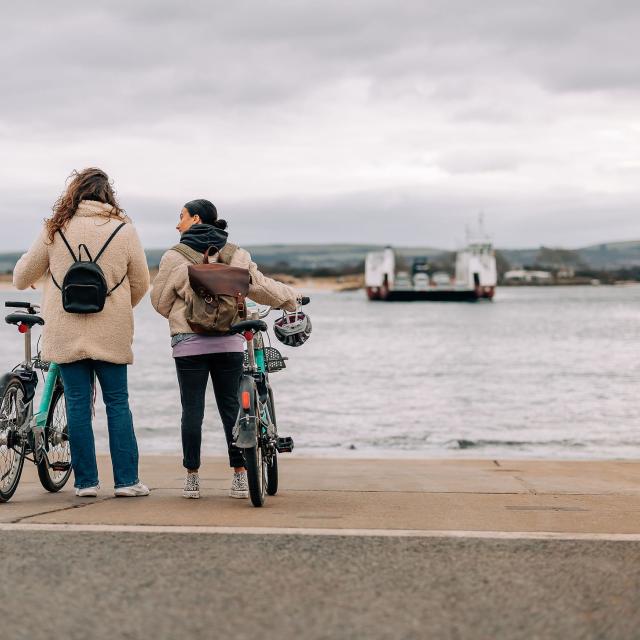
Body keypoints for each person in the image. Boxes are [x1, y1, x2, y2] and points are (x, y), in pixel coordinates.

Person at [13, 168, 150, 498]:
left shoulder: (54, 228)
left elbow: (21, 277)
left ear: (74, 193)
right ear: (107, 194)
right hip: (112, 330)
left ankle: (86, 483)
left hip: (64, 330)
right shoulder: (124, 230)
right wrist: (115, 308)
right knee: (118, 404)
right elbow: (141, 283)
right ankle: (127, 482)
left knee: (76, 405)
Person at [150, 199, 300, 499]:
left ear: (195, 219)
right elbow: (262, 287)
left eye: (181, 217)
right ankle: (240, 476)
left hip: (188, 344)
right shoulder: (236, 254)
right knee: (233, 410)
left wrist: (186, 316)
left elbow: (159, 302)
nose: (177, 223)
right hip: (230, 341)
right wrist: (292, 298)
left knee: (191, 411)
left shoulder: (174, 257)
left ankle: (192, 478)